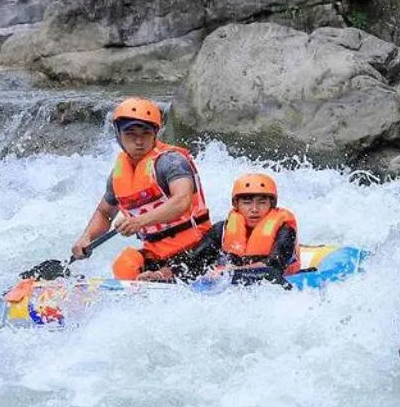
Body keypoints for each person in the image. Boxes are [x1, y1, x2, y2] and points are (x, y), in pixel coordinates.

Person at [69, 99, 214, 280]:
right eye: (130, 134)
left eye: (146, 133)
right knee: (125, 264)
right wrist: (86, 238)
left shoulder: (171, 162)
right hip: (157, 255)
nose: (139, 141)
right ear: (118, 135)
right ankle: (155, 278)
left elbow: (182, 200)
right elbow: (104, 212)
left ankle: (165, 276)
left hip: (197, 249)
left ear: (155, 133)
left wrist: (139, 221)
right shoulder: (118, 175)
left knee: (191, 259)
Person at [198, 173, 299, 286]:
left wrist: (230, 271)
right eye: (247, 203)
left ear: (272, 204)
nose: (254, 209)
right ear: (236, 204)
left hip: (279, 281)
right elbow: (193, 261)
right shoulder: (221, 230)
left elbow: (273, 267)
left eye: (262, 203)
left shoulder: (285, 231)